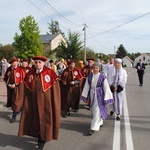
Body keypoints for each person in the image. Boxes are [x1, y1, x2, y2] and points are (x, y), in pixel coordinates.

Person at [18, 56, 61, 150]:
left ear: (44, 63)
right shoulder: (30, 73)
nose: (38, 64)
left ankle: (42, 140)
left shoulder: (50, 73)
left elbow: (55, 91)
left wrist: (54, 103)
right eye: (36, 62)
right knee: (37, 120)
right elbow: (27, 89)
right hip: (34, 102)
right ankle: (40, 137)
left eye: (40, 62)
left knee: (46, 120)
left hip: (47, 102)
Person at [81, 62, 114, 135]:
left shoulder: (102, 77)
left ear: (99, 69)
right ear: (92, 68)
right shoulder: (89, 76)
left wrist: (107, 97)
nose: (95, 69)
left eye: (97, 68)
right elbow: (86, 86)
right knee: (94, 110)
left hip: (100, 95)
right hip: (92, 94)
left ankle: (93, 127)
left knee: (97, 110)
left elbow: (106, 87)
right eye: (94, 68)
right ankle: (100, 122)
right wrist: (85, 96)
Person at [4, 58, 25, 123]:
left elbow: (22, 79)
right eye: (14, 63)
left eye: (16, 62)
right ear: (11, 64)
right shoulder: (9, 69)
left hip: (18, 88)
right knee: (12, 100)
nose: (15, 63)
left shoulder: (20, 70)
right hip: (10, 87)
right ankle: (18, 110)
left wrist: (15, 85)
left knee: (16, 101)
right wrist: (9, 84)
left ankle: (14, 116)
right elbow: (6, 78)